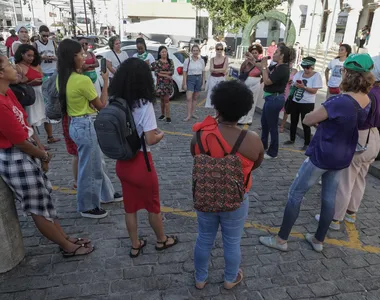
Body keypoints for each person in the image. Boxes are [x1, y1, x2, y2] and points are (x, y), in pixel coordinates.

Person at [259, 53, 374, 253]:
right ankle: (318, 240)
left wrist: (325, 119)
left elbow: (308, 120)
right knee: (329, 197)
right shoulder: (367, 100)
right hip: (343, 154)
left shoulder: (340, 100)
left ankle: (281, 239)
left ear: (348, 74)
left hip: (324, 153)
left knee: (296, 193)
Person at [0, 54, 94, 257]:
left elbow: (26, 127)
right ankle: (66, 246)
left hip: (29, 150)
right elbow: (18, 140)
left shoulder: (8, 93)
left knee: (45, 200)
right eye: (8, 65)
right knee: (38, 207)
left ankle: (64, 238)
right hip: (16, 157)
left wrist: (42, 151)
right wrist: (42, 156)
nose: (15, 68)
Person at [190, 80, 264, 290]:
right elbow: (256, 165)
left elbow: (195, 157)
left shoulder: (200, 135)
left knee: (204, 237)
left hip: (205, 195)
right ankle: (231, 278)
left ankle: (200, 278)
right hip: (237, 199)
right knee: (232, 241)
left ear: (216, 106)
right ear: (244, 110)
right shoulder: (252, 139)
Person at [110, 58, 178, 258]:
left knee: (130, 208)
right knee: (153, 206)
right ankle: (161, 240)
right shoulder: (144, 104)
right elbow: (150, 138)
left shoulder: (114, 101)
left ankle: (135, 245)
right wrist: (160, 134)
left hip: (123, 163)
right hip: (142, 163)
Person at [57, 39, 121, 219]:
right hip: (85, 124)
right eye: (81, 54)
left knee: (96, 162)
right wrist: (106, 81)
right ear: (73, 57)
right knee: (90, 167)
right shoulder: (82, 81)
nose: (84, 56)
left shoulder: (62, 78)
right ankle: (87, 206)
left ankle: (106, 194)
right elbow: (101, 104)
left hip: (75, 123)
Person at [323, 55, 380, 230]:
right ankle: (351, 213)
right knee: (360, 177)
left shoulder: (366, 94)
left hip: (360, 136)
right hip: (375, 137)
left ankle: (335, 218)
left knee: (345, 180)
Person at [257, 45, 294, 159]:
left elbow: (267, 81)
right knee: (265, 123)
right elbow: (266, 71)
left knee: (272, 126)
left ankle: (273, 152)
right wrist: (254, 61)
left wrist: (263, 68)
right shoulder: (277, 66)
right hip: (270, 98)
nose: (274, 53)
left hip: (275, 99)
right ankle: (263, 146)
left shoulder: (283, 68)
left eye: (277, 52)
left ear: (282, 55)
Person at [283, 57, 323, 150]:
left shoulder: (316, 76)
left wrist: (303, 87)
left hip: (307, 103)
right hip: (295, 101)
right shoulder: (300, 73)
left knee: (305, 123)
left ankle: (307, 143)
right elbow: (293, 83)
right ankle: (291, 139)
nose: (305, 69)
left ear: (312, 67)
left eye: (308, 67)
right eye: (304, 67)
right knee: (293, 121)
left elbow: (314, 91)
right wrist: (293, 84)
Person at [33, 25, 61, 145]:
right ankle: (49, 122)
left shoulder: (53, 43)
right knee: (46, 100)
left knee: (55, 97)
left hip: (53, 71)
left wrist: (55, 58)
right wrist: (41, 57)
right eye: (43, 35)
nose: (45, 38)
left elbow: (59, 55)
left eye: (47, 35)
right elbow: (33, 58)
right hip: (43, 73)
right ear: (39, 34)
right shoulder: (35, 44)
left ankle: (55, 117)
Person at [14, 45, 48, 134]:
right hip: (29, 94)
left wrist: (43, 80)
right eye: (29, 55)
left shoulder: (36, 65)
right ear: (22, 54)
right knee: (30, 118)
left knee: (46, 115)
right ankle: (35, 140)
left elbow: (43, 76)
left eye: (33, 56)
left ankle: (50, 136)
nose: (31, 58)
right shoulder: (18, 67)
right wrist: (31, 83)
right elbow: (17, 85)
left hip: (40, 92)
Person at [238, 44, 264, 125]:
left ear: (258, 53)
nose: (254, 54)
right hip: (246, 82)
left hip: (256, 82)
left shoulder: (260, 62)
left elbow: (264, 72)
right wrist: (246, 61)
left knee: (253, 101)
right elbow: (241, 70)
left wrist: (259, 82)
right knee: (243, 101)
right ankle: (241, 118)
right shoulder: (247, 62)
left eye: (255, 53)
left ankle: (249, 119)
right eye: (252, 53)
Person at [182, 44, 206, 122]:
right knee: (189, 98)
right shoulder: (187, 60)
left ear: (199, 51)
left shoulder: (201, 60)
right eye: (194, 50)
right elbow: (184, 72)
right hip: (190, 79)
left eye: (197, 50)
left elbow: (203, 72)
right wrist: (184, 83)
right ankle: (188, 115)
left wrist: (203, 83)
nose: (195, 52)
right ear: (191, 51)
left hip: (198, 78)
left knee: (195, 97)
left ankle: (193, 113)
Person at [154, 46, 174, 123]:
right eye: (162, 52)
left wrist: (162, 72)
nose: (164, 53)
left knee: (166, 100)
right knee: (162, 99)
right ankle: (162, 114)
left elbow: (171, 72)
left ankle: (168, 116)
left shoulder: (170, 61)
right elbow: (156, 73)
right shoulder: (157, 62)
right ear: (159, 53)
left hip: (168, 84)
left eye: (165, 51)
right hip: (160, 83)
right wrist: (166, 75)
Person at [205, 43, 228, 109]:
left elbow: (224, 69)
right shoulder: (212, 59)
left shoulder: (225, 58)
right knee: (212, 95)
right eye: (218, 49)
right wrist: (221, 70)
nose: (219, 50)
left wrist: (216, 70)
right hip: (213, 79)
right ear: (215, 49)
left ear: (223, 50)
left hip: (221, 79)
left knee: (221, 96)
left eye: (221, 49)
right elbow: (211, 70)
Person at [279, 59, 298, 133]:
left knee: (286, 110)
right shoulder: (282, 69)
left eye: (291, 62)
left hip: (289, 91)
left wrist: (293, 82)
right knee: (276, 108)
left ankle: (282, 126)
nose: (290, 64)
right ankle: (270, 124)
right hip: (281, 90)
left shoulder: (295, 71)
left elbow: (297, 80)